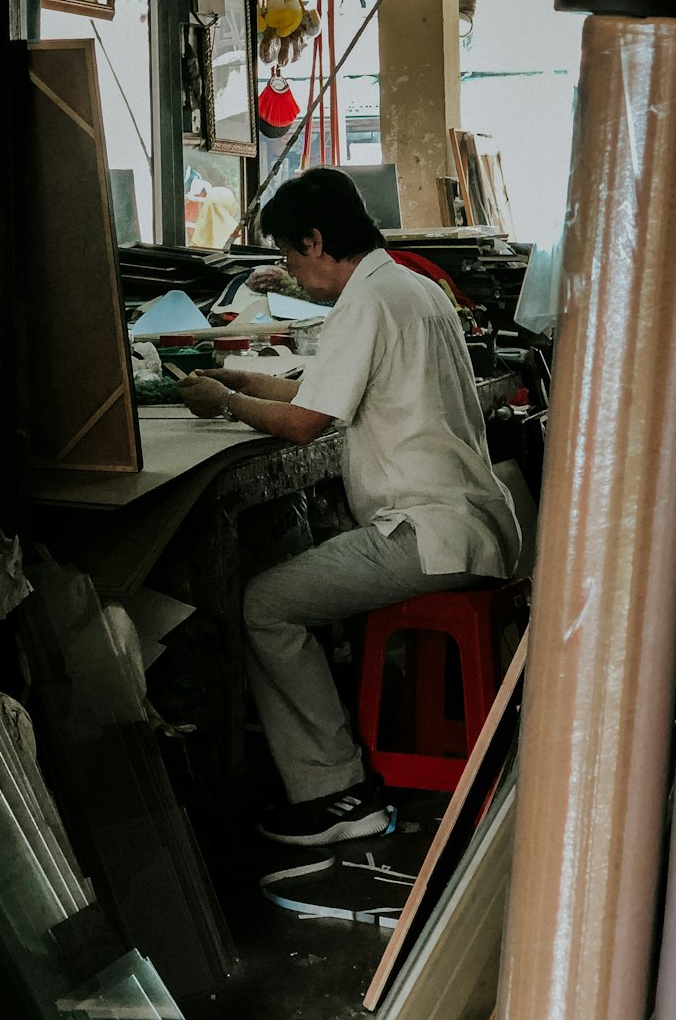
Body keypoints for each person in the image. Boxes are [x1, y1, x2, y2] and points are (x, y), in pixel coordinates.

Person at [178, 167, 520, 847]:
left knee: (265, 604)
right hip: (469, 521)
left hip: (428, 533)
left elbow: (306, 425)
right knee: (291, 583)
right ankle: (333, 774)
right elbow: (314, 390)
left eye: (287, 254)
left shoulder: (368, 302)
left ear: (315, 240)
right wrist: (240, 378)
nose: (288, 271)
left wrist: (224, 404)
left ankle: (335, 793)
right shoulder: (408, 287)